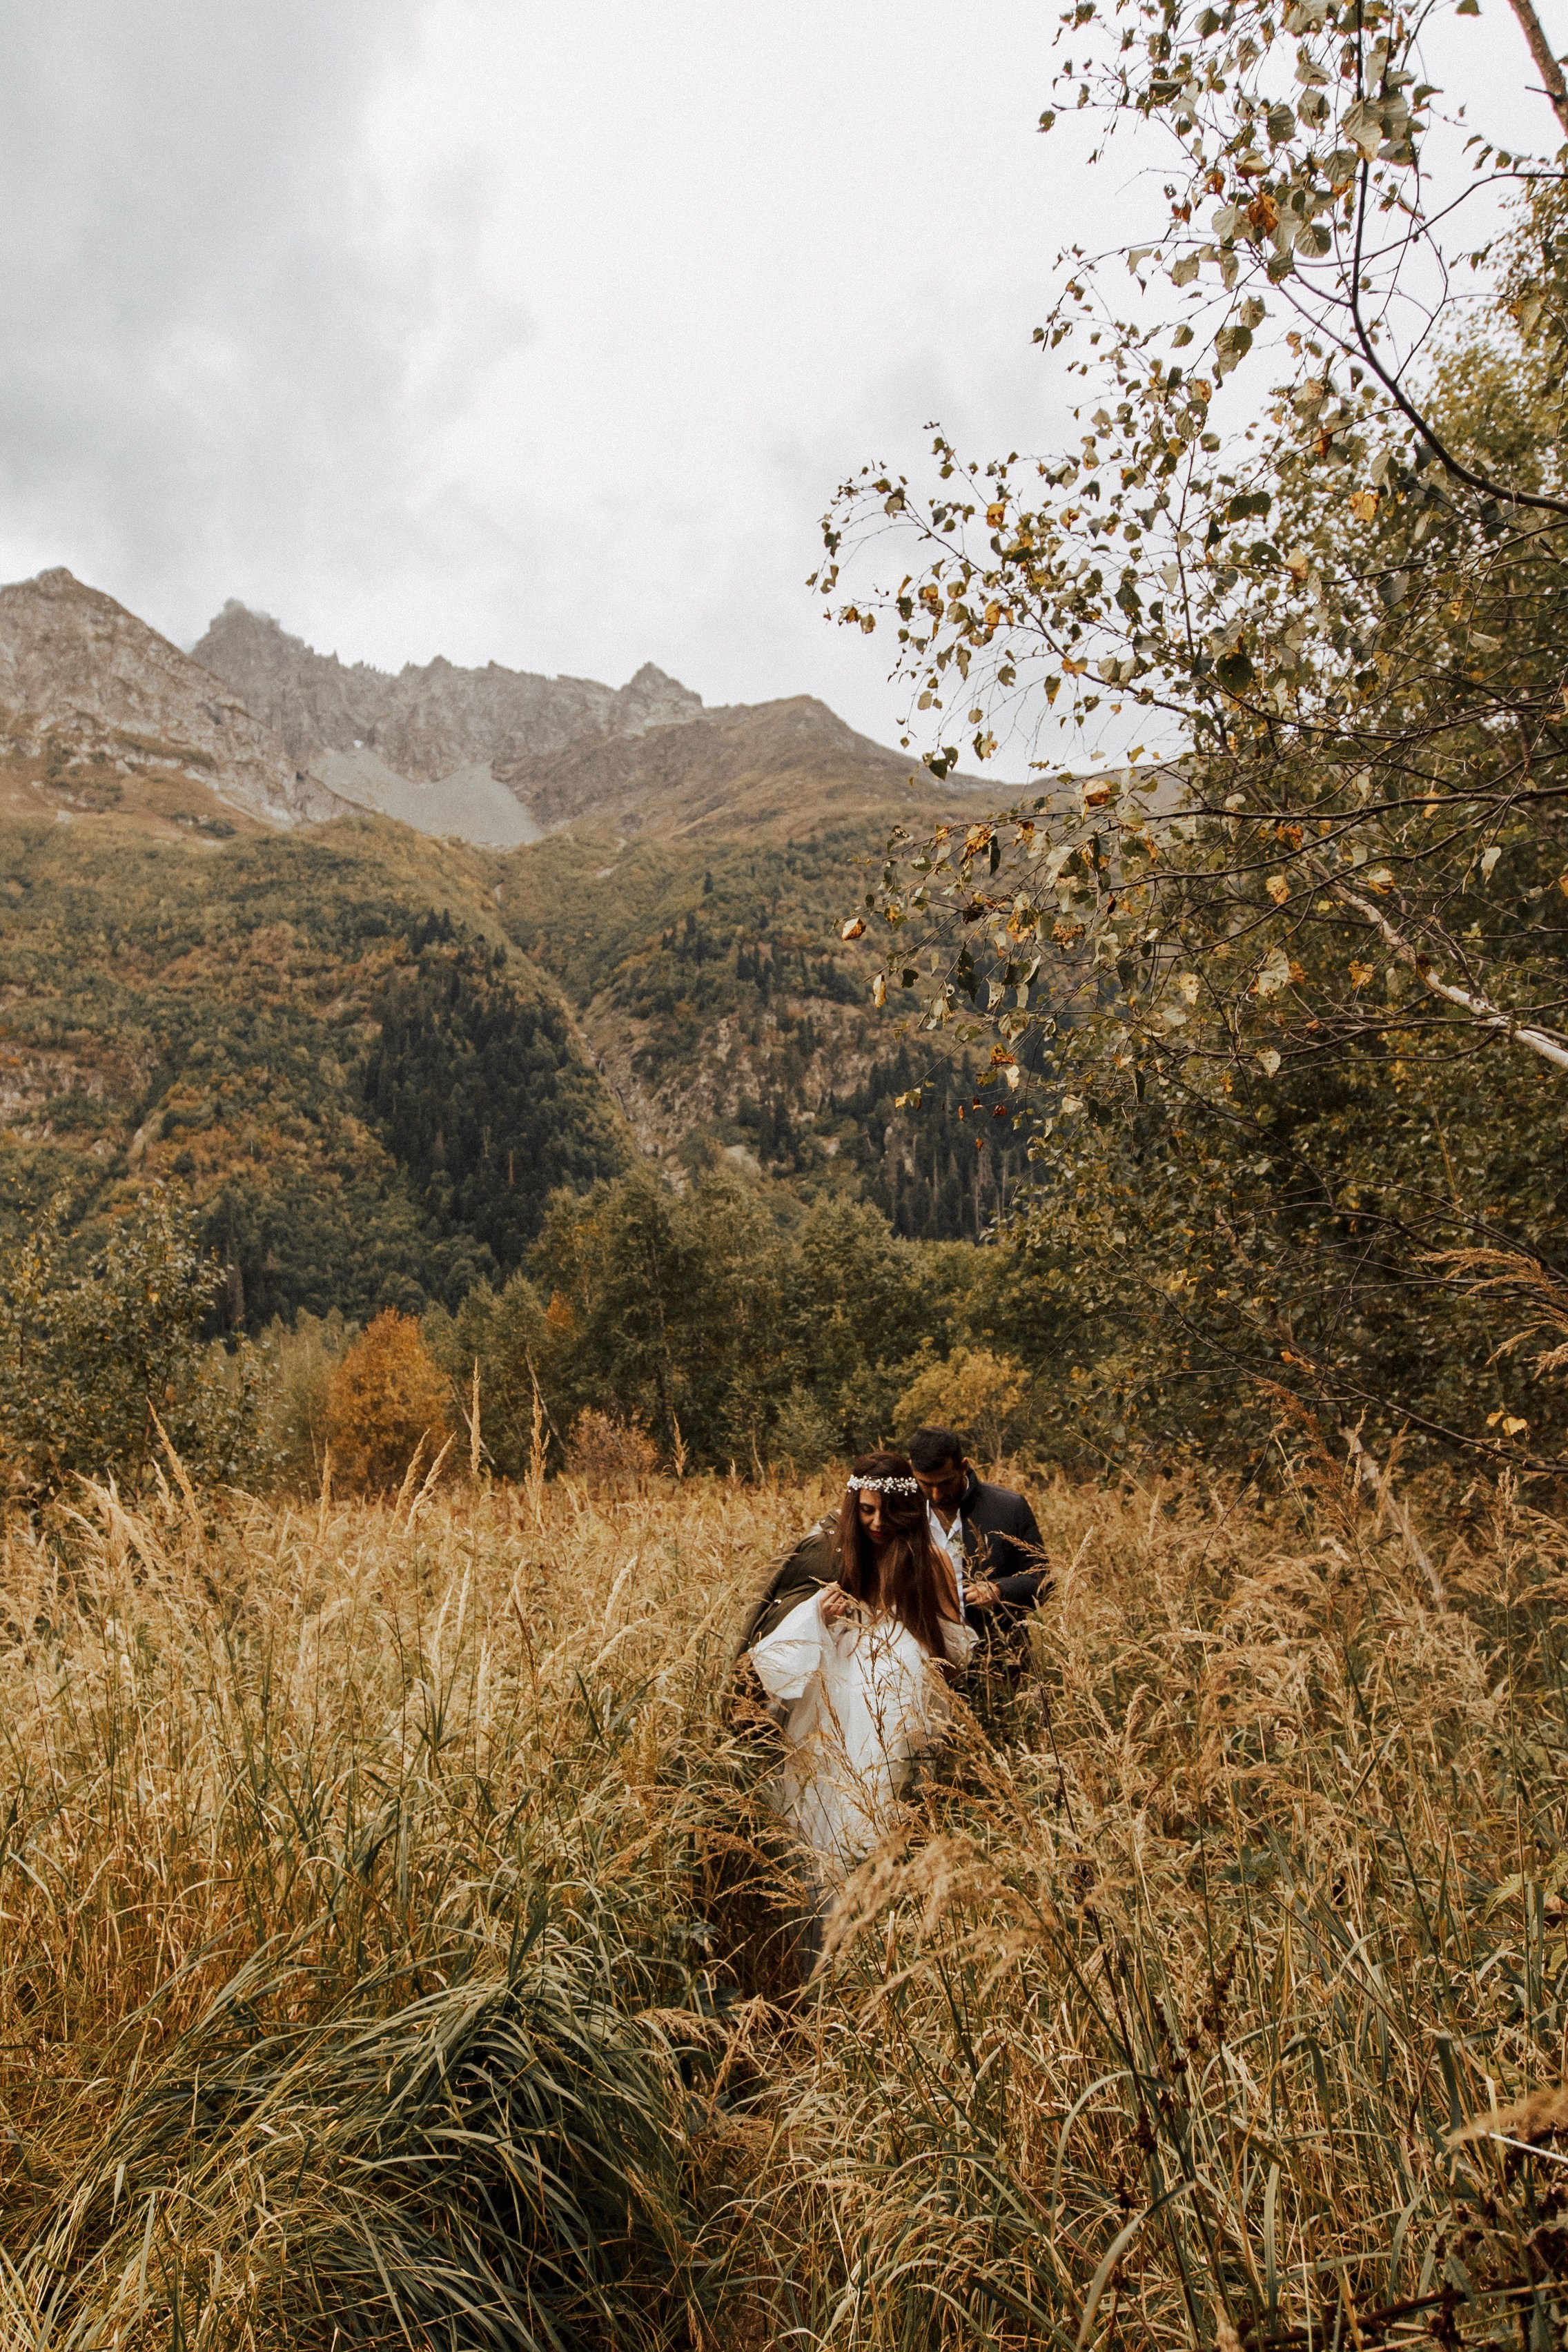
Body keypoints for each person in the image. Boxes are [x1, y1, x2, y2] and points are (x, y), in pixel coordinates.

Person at [741, 1450, 974, 1899]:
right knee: (826, 1784)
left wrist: (909, 1651)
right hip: (840, 1686)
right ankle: (826, 1885)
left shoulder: (930, 1558)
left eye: (888, 1511)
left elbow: (953, 1649)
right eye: (867, 1510)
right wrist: (820, 1614)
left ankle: (877, 1882)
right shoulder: (843, 1555)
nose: (877, 1523)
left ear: (907, 1508)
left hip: (895, 1693)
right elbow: (797, 1608)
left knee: (883, 1787)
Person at [905, 1424, 1048, 1659]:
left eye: (945, 1482)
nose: (937, 1494)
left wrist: (999, 1590)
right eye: (926, 1484)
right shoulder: (902, 1512)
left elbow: (1042, 1580)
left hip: (999, 1657)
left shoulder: (1009, 1508)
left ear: (963, 1466)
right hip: (924, 1656)